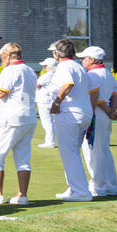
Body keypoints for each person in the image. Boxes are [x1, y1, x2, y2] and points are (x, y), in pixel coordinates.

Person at [0, 42, 38, 206]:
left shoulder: (10, 71)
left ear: (8, 55)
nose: (1, 60)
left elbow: (0, 93)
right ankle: (22, 195)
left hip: (12, 118)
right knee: (23, 157)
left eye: (2, 57)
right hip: (29, 117)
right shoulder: (30, 71)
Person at [48, 38, 93, 202]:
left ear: (56, 53)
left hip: (70, 113)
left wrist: (56, 103)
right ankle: (75, 188)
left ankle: (81, 192)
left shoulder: (64, 66)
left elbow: (68, 85)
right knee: (72, 152)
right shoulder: (77, 66)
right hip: (82, 113)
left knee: (69, 153)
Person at [78, 46, 117, 197]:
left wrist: (109, 111)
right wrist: (111, 111)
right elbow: (115, 95)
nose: (82, 60)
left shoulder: (92, 75)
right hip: (105, 115)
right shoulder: (108, 74)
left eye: (84, 58)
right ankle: (110, 186)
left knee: (92, 151)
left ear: (92, 59)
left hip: (96, 115)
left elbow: (97, 98)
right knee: (103, 150)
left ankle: (98, 187)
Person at [36, 57, 57, 148]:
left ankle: (50, 142)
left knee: (47, 122)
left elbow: (37, 85)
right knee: (51, 122)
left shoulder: (47, 75)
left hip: (44, 101)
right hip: (50, 100)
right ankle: (51, 141)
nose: (44, 67)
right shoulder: (57, 75)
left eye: (45, 66)